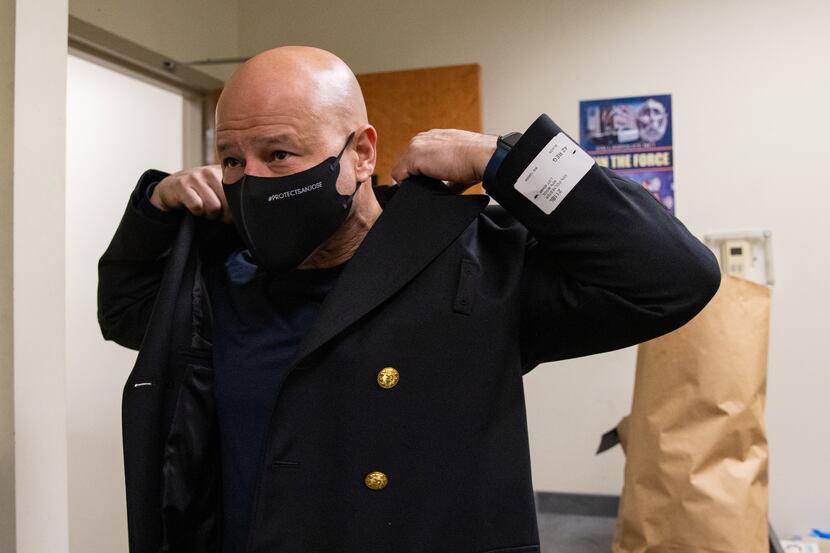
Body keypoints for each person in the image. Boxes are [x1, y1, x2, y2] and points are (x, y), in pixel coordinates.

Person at [98, 46, 720, 553]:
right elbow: (124, 312)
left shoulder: (471, 257)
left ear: (362, 153)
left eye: (279, 153)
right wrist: (156, 209)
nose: (252, 180)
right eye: (232, 159)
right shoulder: (220, 275)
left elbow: (673, 275)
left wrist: (501, 159)